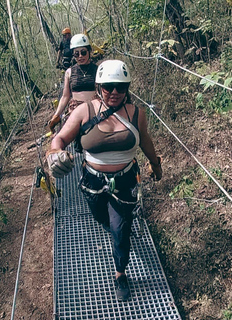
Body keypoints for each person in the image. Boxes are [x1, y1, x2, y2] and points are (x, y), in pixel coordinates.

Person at [46, 60, 162, 302]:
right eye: (108, 87)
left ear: (127, 88)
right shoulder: (83, 111)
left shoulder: (136, 114)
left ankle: (120, 273)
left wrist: (155, 163)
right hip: (92, 182)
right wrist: (53, 153)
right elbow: (59, 140)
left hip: (125, 181)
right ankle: (116, 229)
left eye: (120, 87)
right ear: (99, 87)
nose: (114, 93)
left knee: (120, 230)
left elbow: (145, 141)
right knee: (103, 219)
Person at [48, 33, 98, 133]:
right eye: (76, 53)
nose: (80, 56)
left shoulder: (98, 70)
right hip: (76, 112)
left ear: (89, 51)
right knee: (76, 142)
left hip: (95, 111)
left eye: (83, 52)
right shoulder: (69, 72)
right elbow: (65, 96)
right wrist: (56, 115)